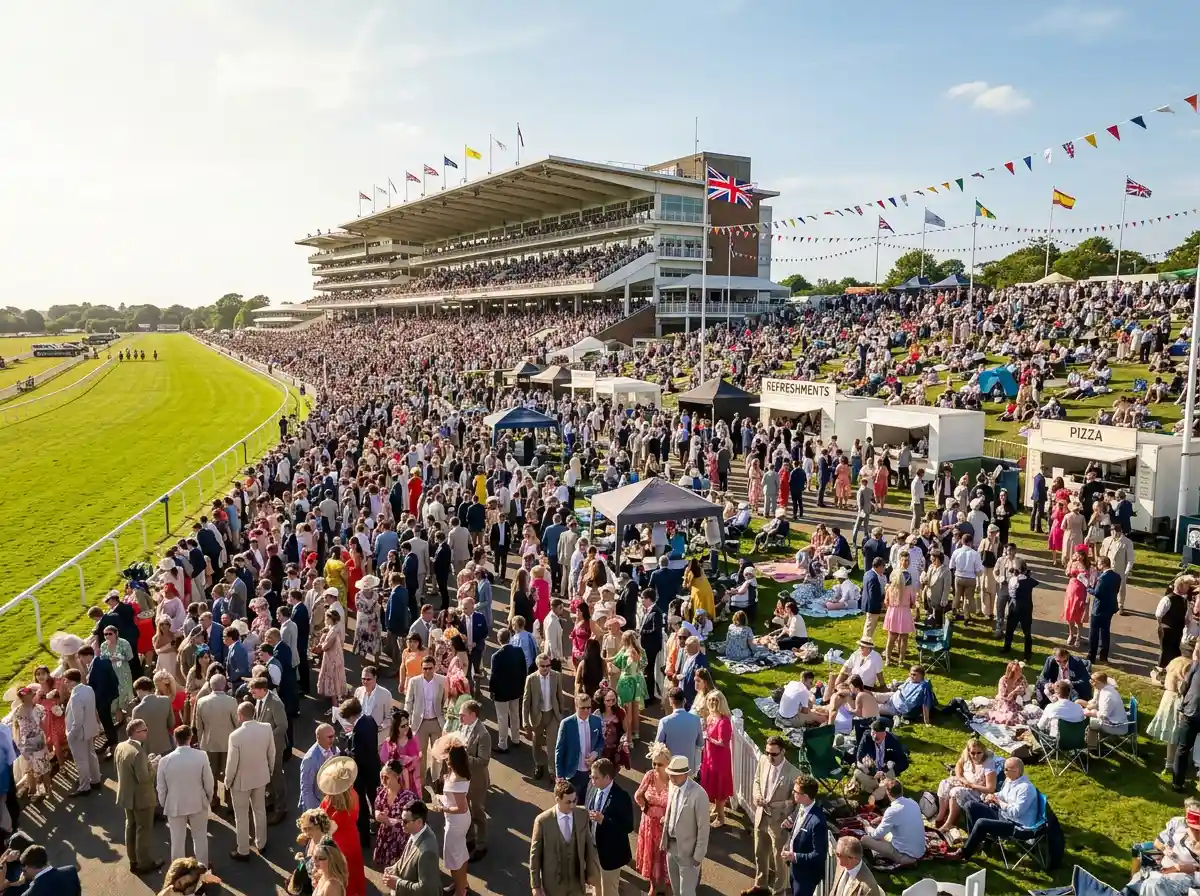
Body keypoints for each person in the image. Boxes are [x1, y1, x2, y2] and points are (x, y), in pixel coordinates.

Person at [953, 758, 1040, 862]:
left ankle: (964, 854)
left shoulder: (1026, 788)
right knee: (970, 805)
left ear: (1016, 770)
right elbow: (1002, 795)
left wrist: (998, 802)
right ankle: (976, 843)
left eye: (1006, 770)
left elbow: (1016, 812)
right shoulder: (1010, 781)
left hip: (1017, 826)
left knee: (981, 823)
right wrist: (991, 796)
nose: (1004, 772)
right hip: (1004, 816)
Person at [746, 735, 799, 896]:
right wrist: (756, 796)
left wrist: (784, 805)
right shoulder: (763, 761)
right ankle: (760, 885)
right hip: (761, 816)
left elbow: (798, 801)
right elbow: (756, 781)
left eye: (774, 754)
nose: (770, 757)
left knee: (779, 861)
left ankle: (778, 891)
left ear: (783, 752)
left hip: (779, 823)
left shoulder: (793, 773)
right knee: (759, 853)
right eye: (768, 752)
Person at [529, 779, 599, 896]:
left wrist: (592, 875)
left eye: (574, 801)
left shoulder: (582, 815)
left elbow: (589, 847)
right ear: (557, 799)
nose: (572, 805)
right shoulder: (543, 821)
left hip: (577, 882)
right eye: (568, 802)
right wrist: (535, 886)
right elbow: (535, 855)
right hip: (554, 884)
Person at [156, 724, 213, 866]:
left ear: (175, 739)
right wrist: (208, 799)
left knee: (177, 841)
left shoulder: (164, 761)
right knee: (200, 837)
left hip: (174, 804)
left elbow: (161, 787)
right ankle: (202, 868)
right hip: (198, 802)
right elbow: (209, 782)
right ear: (190, 737)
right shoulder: (201, 756)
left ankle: (178, 872)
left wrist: (164, 803)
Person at [114, 718, 164, 876]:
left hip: (126, 795)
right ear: (136, 733)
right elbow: (144, 778)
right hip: (141, 798)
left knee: (131, 827)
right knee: (143, 830)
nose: (147, 732)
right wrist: (155, 765)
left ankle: (133, 860)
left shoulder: (122, 746)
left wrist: (148, 762)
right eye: (144, 730)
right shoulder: (138, 753)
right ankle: (144, 863)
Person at [226, 699, 274, 861]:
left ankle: (243, 850)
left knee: (241, 816)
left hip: (241, 782)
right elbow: (271, 754)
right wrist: (269, 772)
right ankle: (262, 843)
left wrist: (227, 780)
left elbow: (232, 763)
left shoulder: (235, 736)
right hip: (261, 777)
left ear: (240, 716)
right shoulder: (266, 729)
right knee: (260, 811)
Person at [318, 756, 368, 896]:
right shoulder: (354, 795)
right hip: (352, 839)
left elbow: (325, 828)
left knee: (341, 873)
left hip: (338, 846)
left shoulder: (328, 803)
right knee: (354, 870)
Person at [661, 754, 710, 896]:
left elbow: (703, 828)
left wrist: (698, 856)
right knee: (676, 891)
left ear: (685, 774)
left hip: (688, 853)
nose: (672, 778)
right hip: (671, 847)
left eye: (676, 775)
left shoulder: (699, 794)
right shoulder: (672, 785)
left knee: (686, 893)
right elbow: (672, 810)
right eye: (670, 774)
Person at [586, 758, 634, 896]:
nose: (592, 780)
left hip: (611, 854)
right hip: (593, 850)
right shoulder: (592, 787)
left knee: (609, 891)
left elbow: (627, 827)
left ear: (607, 777)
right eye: (591, 776)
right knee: (596, 887)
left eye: (595, 777)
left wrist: (604, 820)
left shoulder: (621, 797)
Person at [429, 740, 472, 896]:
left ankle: (461, 890)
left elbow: (461, 808)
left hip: (457, 822)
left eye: (448, 759)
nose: (446, 761)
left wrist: (443, 808)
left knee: (454, 856)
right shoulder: (457, 773)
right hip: (456, 820)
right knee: (460, 852)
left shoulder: (458, 779)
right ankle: (462, 883)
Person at [340, 696, 383, 849]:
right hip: (374, 769)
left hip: (362, 774)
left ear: (351, 716)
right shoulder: (370, 720)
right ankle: (381, 832)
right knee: (376, 801)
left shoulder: (357, 731)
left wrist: (347, 748)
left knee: (362, 807)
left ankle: (364, 840)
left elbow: (357, 755)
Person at [194, 674, 238, 811]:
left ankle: (213, 800)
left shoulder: (201, 702)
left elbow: (198, 726)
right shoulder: (231, 701)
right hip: (228, 744)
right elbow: (237, 724)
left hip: (209, 743)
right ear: (224, 685)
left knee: (210, 774)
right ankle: (230, 802)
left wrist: (202, 742)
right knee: (229, 773)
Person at [933, 738, 997, 833]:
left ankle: (949, 823)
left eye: (979, 753)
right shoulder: (967, 756)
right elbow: (958, 765)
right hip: (965, 782)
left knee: (956, 792)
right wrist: (961, 778)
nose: (975, 756)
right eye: (973, 753)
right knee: (945, 783)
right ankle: (941, 815)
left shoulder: (988, 764)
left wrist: (971, 785)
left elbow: (990, 788)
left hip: (978, 791)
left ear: (983, 751)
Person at [524, 653, 571, 781]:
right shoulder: (531, 679)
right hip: (537, 716)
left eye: (548, 665)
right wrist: (525, 721)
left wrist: (561, 713)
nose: (546, 668)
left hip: (552, 715)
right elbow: (526, 702)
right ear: (538, 666)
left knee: (552, 743)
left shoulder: (556, 676)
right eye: (543, 666)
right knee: (537, 742)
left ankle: (552, 770)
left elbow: (559, 695)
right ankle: (539, 764)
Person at [249, 676, 289, 824]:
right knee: (268, 774)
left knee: (276, 775)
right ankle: (271, 801)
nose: (252, 695)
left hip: (275, 746)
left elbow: (282, 726)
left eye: (254, 692)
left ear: (262, 690)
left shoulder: (275, 703)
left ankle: (281, 809)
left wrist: (266, 735)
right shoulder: (260, 700)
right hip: (264, 745)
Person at [381, 799, 442, 896]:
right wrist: (395, 868)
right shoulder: (418, 831)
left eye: (405, 821)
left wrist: (397, 884)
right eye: (401, 820)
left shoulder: (427, 852)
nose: (401, 824)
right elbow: (408, 858)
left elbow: (427, 890)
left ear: (418, 821)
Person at [780, 775, 828, 896]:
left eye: (796, 791)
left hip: (806, 876)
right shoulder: (801, 807)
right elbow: (800, 834)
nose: (793, 793)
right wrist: (790, 830)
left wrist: (794, 857)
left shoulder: (818, 822)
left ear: (805, 796)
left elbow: (818, 855)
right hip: (795, 869)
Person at [860, 778, 924, 867]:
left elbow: (876, 835)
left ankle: (907, 862)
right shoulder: (913, 802)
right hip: (920, 850)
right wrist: (882, 818)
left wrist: (867, 827)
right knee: (886, 831)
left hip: (905, 854)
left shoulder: (892, 811)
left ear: (887, 793)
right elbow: (903, 817)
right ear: (901, 790)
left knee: (864, 839)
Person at [635, 743, 672, 895]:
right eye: (654, 763)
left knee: (666, 858)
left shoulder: (673, 780)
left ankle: (670, 887)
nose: (656, 767)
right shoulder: (650, 775)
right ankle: (653, 886)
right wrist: (644, 806)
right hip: (649, 824)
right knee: (650, 855)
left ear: (668, 764)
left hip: (666, 826)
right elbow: (638, 795)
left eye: (660, 764)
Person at [457, 700, 492, 860]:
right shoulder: (463, 725)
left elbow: (483, 761)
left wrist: (463, 756)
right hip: (463, 777)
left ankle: (482, 844)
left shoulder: (483, 734)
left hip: (476, 780)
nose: (460, 718)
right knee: (466, 811)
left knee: (477, 812)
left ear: (473, 715)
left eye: (463, 715)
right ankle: (470, 839)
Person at [404, 656, 447, 783]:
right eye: (425, 668)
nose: (427, 671)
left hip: (437, 722)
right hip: (420, 723)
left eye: (430, 668)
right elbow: (409, 702)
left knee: (438, 753)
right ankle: (420, 780)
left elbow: (446, 701)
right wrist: (407, 722)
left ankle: (436, 779)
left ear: (435, 668)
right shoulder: (414, 681)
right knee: (420, 754)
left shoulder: (442, 680)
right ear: (421, 668)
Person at [556, 693, 604, 796]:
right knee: (574, 803)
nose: (587, 711)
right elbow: (559, 751)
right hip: (573, 773)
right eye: (583, 708)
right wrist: (559, 776)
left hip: (591, 772)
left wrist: (596, 753)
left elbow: (601, 740)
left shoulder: (596, 721)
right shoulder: (567, 724)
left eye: (589, 707)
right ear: (576, 706)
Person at [373, 760, 418, 869]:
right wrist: (378, 814)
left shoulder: (408, 797)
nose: (383, 780)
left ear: (397, 777)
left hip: (401, 840)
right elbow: (376, 809)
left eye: (387, 777)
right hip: (385, 836)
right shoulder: (382, 792)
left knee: (401, 870)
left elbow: (414, 821)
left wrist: (390, 821)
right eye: (382, 776)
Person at [63, 669, 101, 796]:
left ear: (72, 682)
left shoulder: (75, 697)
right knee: (91, 755)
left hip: (80, 734)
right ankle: (96, 780)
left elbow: (77, 721)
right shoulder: (88, 689)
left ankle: (85, 787)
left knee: (81, 761)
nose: (65, 683)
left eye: (66, 681)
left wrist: (71, 735)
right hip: (90, 729)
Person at [489, 629, 527, 752]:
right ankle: (516, 739)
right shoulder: (519, 651)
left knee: (502, 718)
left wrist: (492, 691)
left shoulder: (496, 656)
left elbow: (493, 676)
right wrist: (522, 687)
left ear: (499, 639)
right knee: (515, 715)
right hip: (515, 690)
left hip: (501, 693)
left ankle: (503, 744)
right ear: (510, 637)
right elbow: (523, 671)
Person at [853, 720, 910, 802]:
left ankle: (873, 796)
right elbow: (859, 757)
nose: (875, 736)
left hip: (887, 771)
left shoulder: (893, 741)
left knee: (888, 775)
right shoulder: (867, 737)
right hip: (873, 772)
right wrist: (867, 765)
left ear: (885, 734)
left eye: (878, 735)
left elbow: (903, 762)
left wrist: (885, 769)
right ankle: (883, 789)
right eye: (873, 733)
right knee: (857, 772)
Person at [700, 691, 734, 827]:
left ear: (721, 703)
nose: (713, 703)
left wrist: (708, 738)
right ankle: (716, 809)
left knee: (719, 788)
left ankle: (721, 818)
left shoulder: (723, 721)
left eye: (716, 701)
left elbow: (723, 742)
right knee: (712, 786)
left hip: (719, 760)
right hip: (709, 757)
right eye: (711, 700)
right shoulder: (710, 718)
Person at [655, 687, 704, 774]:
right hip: (688, 769)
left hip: (671, 769)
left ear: (670, 702)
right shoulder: (696, 720)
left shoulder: (664, 722)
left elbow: (657, 746)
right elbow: (700, 743)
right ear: (684, 700)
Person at [300, 723, 340, 812]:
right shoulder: (310, 759)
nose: (333, 739)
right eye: (329, 737)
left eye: (333, 736)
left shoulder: (334, 749)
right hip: (319, 804)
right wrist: (315, 813)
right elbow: (307, 790)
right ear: (319, 738)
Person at [1088, 555, 1121, 663]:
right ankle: (1103, 656)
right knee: (1105, 632)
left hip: (1099, 608)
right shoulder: (1117, 576)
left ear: (1102, 564)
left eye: (1098, 564)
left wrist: (1089, 589)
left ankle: (1091, 656)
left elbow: (1098, 593)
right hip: (1110, 607)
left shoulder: (1102, 578)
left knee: (1094, 633)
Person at [16, 844, 82, 896]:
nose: (23, 872)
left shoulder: (30, 894)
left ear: (27, 867)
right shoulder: (70, 871)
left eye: (24, 869)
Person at [860, 558, 886, 642]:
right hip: (873, 606)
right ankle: (865, 643)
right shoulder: (874, 578)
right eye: (883, 566)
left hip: (867, 604)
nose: (884, 568)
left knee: (870, 625)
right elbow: (874, 595)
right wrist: (882, 599)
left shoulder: (867, 573)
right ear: (879, 566)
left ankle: (866, 641)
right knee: (870, 626)